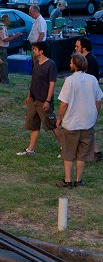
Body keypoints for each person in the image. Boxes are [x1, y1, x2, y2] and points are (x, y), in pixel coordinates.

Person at [55, 53, 103, 188]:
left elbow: (64, 103)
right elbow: (98, 100)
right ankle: (79, 180)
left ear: (75, 65)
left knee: (68, 153)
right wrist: (95, 113)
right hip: (88, 122)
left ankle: (68, 181)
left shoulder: (69, 80)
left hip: (71, 123)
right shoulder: (93, 79)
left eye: (71, 62)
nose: (69, 64)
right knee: (83, 154)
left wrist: (59, 118)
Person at [17, 41, 63, 155]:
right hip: (34, 99)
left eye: (35, 49)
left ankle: (65, 147)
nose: (33, 51)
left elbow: (52, 84)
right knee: (34, 124)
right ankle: (30, 149)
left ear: (41, 51)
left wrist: (47, 100)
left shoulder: (50, 64)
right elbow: (34, 81)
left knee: (52, 124)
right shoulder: (36, 62)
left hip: (43, 100)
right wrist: (29, 96)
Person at [75, 37, 102, 161]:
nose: (75, 48)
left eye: (77, 46)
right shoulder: (88, 59)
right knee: (87, 127)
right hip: (86, 98)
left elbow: (90, 82)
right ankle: (95, 151)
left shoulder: (89, 61)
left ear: (83, 48)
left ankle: (94, 152)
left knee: (87, 127)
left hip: (88, 98)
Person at [0, 14, 21, 84]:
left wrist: (11, 35)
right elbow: (5, 39)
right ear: (5, 20)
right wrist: (15, 36)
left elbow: (3, 36)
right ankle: (5, 82)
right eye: (9, 19)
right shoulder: (2, 27)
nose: (10, 21)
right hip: (1, 48)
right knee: (3, 66)